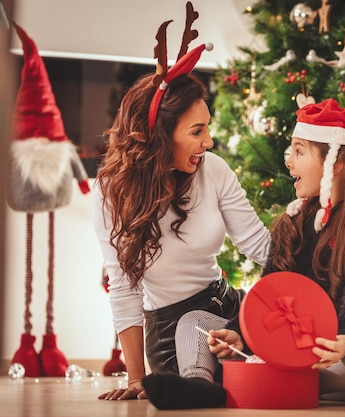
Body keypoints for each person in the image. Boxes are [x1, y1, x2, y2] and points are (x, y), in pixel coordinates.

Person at [148, 98, 345, 409]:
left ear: (334, 163)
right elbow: (270, 291)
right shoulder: (293, 221)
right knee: (194, 320)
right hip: (292, 351)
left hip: (344, 357)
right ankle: (199, 383)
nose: (288, 162)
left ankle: (263, 381)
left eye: (299, 152)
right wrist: (239, 335)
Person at [92, 11, 270, 404]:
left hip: (227, 311)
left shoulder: (214, 170)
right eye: (196, 131)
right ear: (159, 137)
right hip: (174, 333)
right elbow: (124, 290)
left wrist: (314, 262)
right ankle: (198, 386)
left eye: (207, 127)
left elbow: (261, 247)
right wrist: (137, 378)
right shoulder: (111, 192)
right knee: (204, 364)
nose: (208, 142)